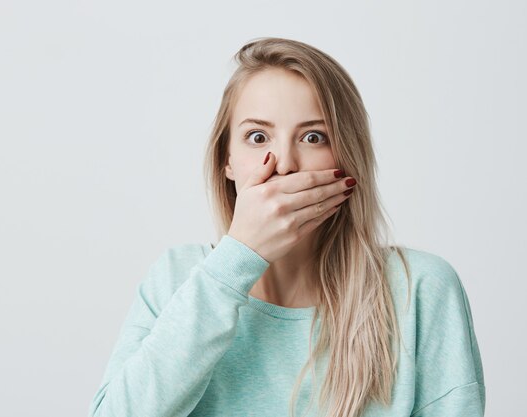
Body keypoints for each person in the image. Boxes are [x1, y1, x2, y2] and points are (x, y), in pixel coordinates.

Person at [88, 37, 485, 417]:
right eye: (257, 136)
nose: (284, 164)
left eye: (314, 137)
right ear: (227, 161)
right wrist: (238, 256)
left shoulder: (421, 290)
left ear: (349, 157)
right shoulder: (177, 277)